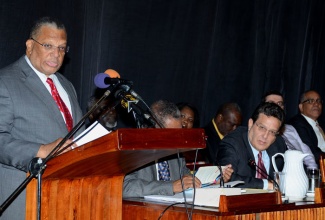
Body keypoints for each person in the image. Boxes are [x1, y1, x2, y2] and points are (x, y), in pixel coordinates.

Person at [0, 17, 84, 219]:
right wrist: (41, 150)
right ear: (29, 46)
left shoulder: (67, 86)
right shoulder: (6, 82)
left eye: (62, 48)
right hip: (22, 200)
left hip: (63, 199)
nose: (56, 54)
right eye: (48, 45)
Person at [123, 100, 233, 198]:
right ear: (153, 127)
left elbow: (186, 178)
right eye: (171, 134)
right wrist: (170, 187)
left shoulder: (176, 151)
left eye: (179, 132)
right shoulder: (131, 148)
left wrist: (213, 182)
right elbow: (125, 187)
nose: (176, 139)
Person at [217, 102, 287, 190]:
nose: (265, 136)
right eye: (262, 128)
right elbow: (227, 179)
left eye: (272, 132)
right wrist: (266, 184)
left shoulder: (279, 145)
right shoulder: (232, 143)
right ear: (250, 123)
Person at [262, 90, 318, 169]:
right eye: (271, 103)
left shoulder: (290, 129)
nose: (276, 107)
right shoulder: (259, 129)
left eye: (279, 103)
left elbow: (306, 152)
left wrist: (313, 172)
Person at [289, 90, 325, 167]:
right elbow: (311, 153)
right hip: (313, 171)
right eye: (310, 101)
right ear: (301, 107)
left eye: (318, 101)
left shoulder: (321, 124)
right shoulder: (297, 123)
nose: (316, 104)